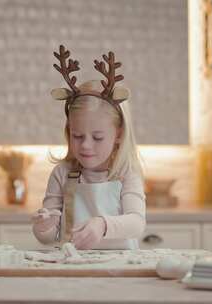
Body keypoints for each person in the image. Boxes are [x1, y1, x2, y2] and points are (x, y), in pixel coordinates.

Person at [31, 45, 146, 250]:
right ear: (68, 131)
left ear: (118, 134)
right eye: (77, 136)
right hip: (72, 267)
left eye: (98, 137)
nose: (85, 145)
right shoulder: (62, 174)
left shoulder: (126, 173)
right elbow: (48, 238)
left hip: (121, 268)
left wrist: (102, 224)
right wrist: (44, 226)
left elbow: (136, 223)